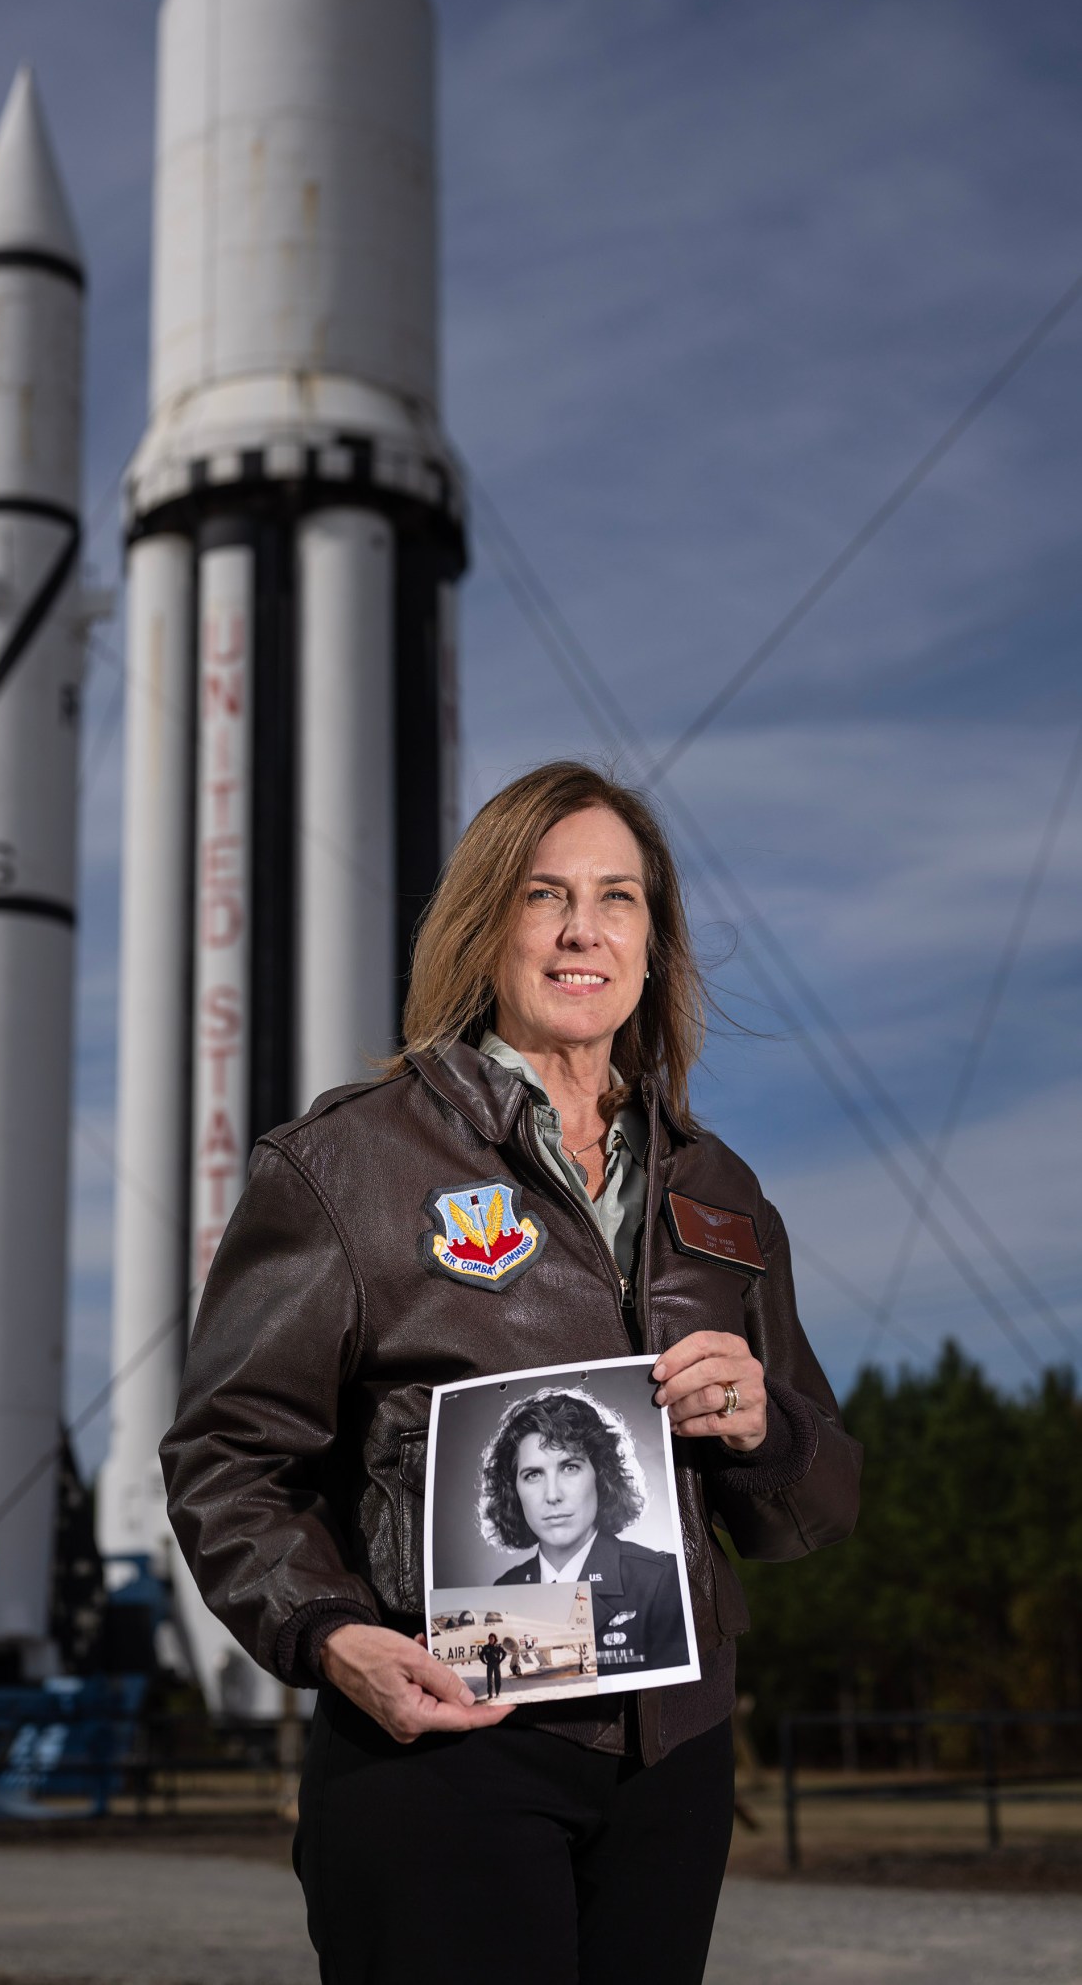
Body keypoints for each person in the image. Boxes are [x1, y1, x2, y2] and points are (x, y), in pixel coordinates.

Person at [163, 760, 862, 1985]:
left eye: (618, 899)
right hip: (443, 1748)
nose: (584, 930)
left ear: (655, 944)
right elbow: (228, 1456)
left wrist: (765, 1430)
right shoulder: (349, 1166)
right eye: (546, 896)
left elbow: (817, 1497)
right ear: (488, 927)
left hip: (672, 1760)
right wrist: (329, 1636)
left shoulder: (720, 1191)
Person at [483, 1386, 689, 1675]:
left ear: (601, 1475)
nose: (552, 1495)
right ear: (513, 1490)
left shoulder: (660, 1581)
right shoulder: (503, 1591)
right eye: (533, 1475)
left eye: (569, 1467)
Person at [477, 1632, 506, 1700]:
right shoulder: (486, 1647)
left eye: (492, 1639)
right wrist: (484, 1662)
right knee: (489, 1680)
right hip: (489, 1664)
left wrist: (500, 1660)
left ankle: (497, 1693)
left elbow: (504, 1653)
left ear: (495, 1639)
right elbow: (481, 1655)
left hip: (496, 1664)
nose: (491, 1640)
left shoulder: (498, 1647)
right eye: (490, 1639)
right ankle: (490, 1694)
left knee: (497, 1679)